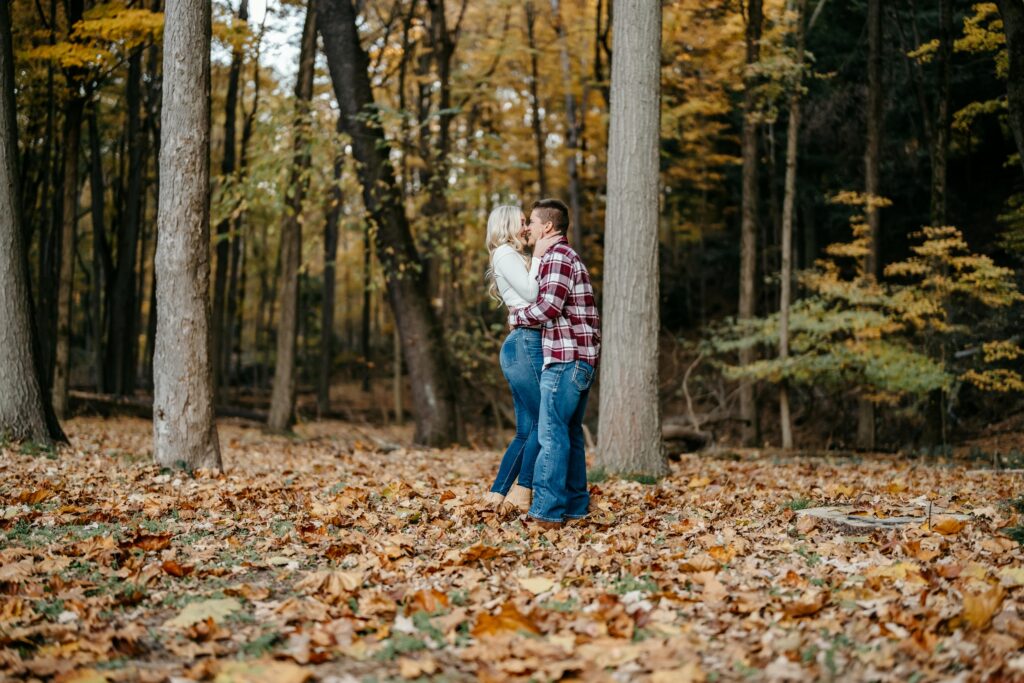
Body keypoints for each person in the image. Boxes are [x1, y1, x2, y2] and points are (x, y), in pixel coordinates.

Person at [508, 198, 600, 529]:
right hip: (577, 360)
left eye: (531, 222)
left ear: (547, 226)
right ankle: (575, 508)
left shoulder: (559, 257)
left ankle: (546, 512)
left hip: (566, 360)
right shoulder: (563, 257)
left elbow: (549, 307)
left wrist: (516, 316)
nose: (526, 228)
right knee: (570, 434)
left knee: (551, 434)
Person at [481, 205, 558, 513]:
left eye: (529, 223)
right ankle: (523, 490)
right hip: (525, 345)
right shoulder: (504, 253)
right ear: (509, 224)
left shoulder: (510, 255)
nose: (527, 228)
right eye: (523, 222)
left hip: (523, 344)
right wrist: (539, 256)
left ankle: (496, 496)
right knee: (545, 422)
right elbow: (529, 293)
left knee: (527, 430)